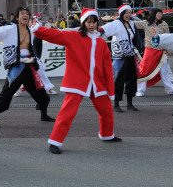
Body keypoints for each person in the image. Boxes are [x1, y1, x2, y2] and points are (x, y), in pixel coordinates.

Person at [33, 9, 122, 153]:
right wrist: (38, 29)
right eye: (88, 22)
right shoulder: (74, 36)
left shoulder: (101, 42)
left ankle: (107, 134)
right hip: (77, 82)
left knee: (106, 110)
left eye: (94, 22)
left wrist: (110, 90)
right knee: (67, 113)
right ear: (83, 23)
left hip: (97, 83)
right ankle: (55, 142)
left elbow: (107, 69)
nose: (91, 25)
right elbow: (55, 35)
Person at [0, 6, 55, 128]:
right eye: (22, 13)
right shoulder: (9, 29)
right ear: (17, 17)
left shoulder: (31, 31)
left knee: (41, 92)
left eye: (27, 14)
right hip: (16, 66)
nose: (25, 15)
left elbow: (40, 42)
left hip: (30, 66)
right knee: (6, 93)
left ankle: (44, 115)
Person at [101, 5, 142, 112]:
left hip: (130, 55)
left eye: (129, 12)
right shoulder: (116, 24)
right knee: (118, 80)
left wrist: (141, 49)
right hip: (119, 57)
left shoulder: (132, 24)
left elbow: (136, 38)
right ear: (121, 14)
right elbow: (103, 29)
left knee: (132, 80)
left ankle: (129, 103)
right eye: (126, 12)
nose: (128, 14)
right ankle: (116, 104)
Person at [133, 9, 173, 96]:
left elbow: (168, 37)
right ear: (154, 14)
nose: (160, 15)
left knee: (165, 71)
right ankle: (140, 90)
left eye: (161, 14)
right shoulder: (146, 23)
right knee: (144, 70)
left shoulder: (164, 24)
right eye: (158, 13)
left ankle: (171, 90)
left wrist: (167, 48)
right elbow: (134, 24)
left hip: (161, 51)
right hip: (150, 50)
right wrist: (125, 19)